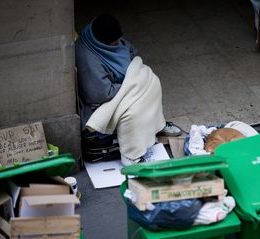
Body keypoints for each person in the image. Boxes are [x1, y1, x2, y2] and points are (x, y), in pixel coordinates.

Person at [75, 14, 181, 165]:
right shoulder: (88, 57)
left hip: (124, 85)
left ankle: (157, 126)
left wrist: (135, 78)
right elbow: (100, 94)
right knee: (133, 112)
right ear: (102, 41)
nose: (117, 44)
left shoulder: (106, 41)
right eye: (113, 42)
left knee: (153, 83)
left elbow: (130, 52)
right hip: (104, 101)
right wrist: (133, 82)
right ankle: (131, 155)